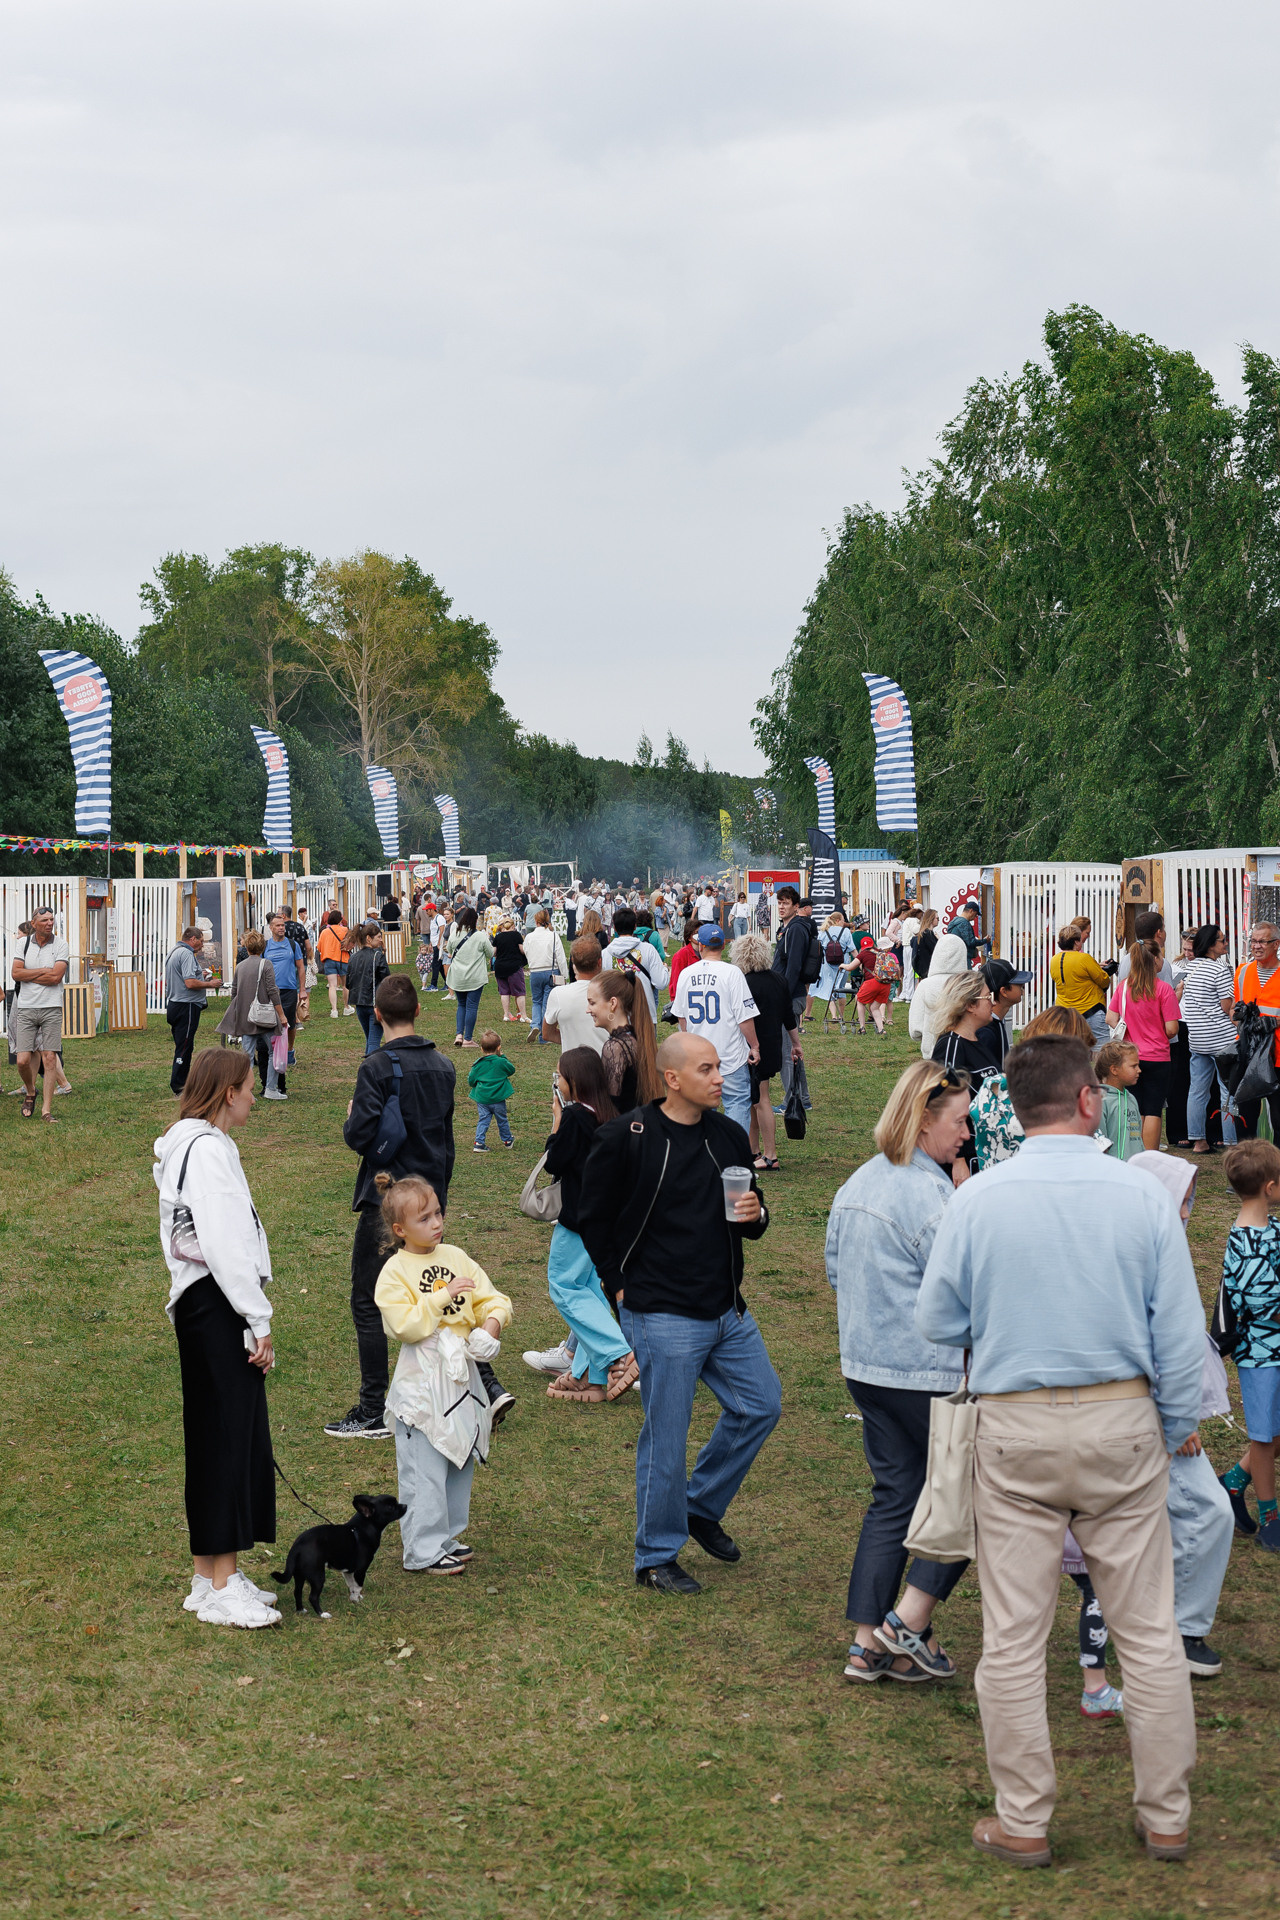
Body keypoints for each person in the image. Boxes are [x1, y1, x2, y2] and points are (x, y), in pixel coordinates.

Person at [916, 1034, 1204, 1868]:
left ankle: (1026, 1818)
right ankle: (1166, 1814)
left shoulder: (980, 1199)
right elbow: (1180, 1337)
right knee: (1148, 1632)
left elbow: (938, 1319)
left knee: (1012, 1636)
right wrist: (1167, 1426)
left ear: (1015, 1102)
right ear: (1089, 1102)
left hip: (1017, 1423)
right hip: (1122, 1419)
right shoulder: (1141, 1197)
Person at [577, 1032, 778, 1594]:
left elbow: (752, 1215)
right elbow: (592, 1217)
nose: (720, 1077)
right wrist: (616, 1286)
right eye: (708, 1069)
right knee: (666, 1438)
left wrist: (755, 1214)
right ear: (673, 1078)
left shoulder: (730, 1135)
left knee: (760, 1406)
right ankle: (656, 1556)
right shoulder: (628, 1137)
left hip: (725, 1310)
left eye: (719, 1067)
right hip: (662, 1312)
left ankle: (698, 1506)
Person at [827, 1059, 974, 1682]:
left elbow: (835, 1268)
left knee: (895, 1496)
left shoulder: (858, 1182)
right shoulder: (932, 1197)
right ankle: (905, 1624)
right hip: (927, 1375)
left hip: (867, 1366)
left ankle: (867, 1644)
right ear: (922, 1124)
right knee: (967, 1497)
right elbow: (959, 1293)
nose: (967, 1135)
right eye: (960, 1122)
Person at [1074, 1151, 1235, 1682]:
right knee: (1209, 1512)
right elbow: (1143, 1343)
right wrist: (1177, 1418)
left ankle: (1155, 1619)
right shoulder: (1140, 1253)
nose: (1189, 1208)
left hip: (1149, 1419)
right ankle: (1178, 1630)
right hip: (1149, 1423)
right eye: (1183, 1197)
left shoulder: (1147, 1246)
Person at [154, 1047, 281, 1628]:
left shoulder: (192, 1145)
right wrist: (258, 1317)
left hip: (204, 1303)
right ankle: (224, 1582)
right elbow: (226, 1241)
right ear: (228, 1092)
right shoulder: (206, 1151)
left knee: (213, 1434)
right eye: (249, 1086)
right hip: (218, 1302)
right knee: (229, 1436)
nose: (255, 1094)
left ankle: (208, 1576)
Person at [326, 974, 457, 1441]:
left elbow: (361, 1136)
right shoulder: (444, 1065)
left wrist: (349, 1117)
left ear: (377, 1015)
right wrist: (437, 1203)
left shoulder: (377, 1067)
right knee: (433, 1296)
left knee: (369, 1300)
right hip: (429, 1199)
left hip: (387, 1202)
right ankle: (453, 1389)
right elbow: (447, 1139)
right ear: (419, 1011)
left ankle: (373, 1406)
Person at [373, 1170, 512, 1576]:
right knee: (424, 1465)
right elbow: (405, 1326)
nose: (436, 1224)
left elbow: (492, 1297)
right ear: (400, 1229)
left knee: (459, 1455)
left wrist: (490, 1327)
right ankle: (422, 1548)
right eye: (424, 1219)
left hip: (461, 1375)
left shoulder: (455, 1257)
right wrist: (441, 1298)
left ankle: (446, 1536)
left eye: (438, 1214)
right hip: (422, 1380)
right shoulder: (394, 1273)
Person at [541, 1048, 638, 1404]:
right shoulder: (610, 1113)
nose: (557, 1083)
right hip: (607, 1217)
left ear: (574, 1082)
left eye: (560, 1077)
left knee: (563, 1284)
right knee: (591, 1290)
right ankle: (590, 1375)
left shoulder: (576, 1116)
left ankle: (619, 1352)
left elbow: (555, 1161)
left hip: (580, 1218)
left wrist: (556, 1121)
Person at [1217, 1138, 1280, 1553]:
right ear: (1270, 1188)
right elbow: (1256, 1304)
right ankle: (1272, 1519)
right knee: (1263, 1436)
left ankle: (1232, 1483)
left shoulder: (1273, 1230)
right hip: (1260, 1355)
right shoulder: (1244, 1241)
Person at [671, 923, 760, 1132]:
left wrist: (688, 1038)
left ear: (700, 946)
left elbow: (681, 1016)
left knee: (702, 1109)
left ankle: (705, 1158)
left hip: (698, 1054)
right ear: (723, 945)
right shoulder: (733, 973)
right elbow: (744, 1018)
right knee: (736, 1103)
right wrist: (754, 1045)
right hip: (730, 1054)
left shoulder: (686, 974)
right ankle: (734, 1157)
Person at [731, 932, 801, 1173]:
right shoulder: (779, 980)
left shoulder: (743, 982)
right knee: (753, 1100)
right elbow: (788, 1016)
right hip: (771, 1045)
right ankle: (754, 1151)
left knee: (760, 1101)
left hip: (750, 1047)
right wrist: (796, 1043)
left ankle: (770, 1155)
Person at [1107, 939, 1180, 1151]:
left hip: (1131, 1055)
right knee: (1154, 1109)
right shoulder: (1164, 990)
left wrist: (1128, 1029)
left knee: (1136, 1106)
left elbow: (1111, 1018)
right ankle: (1150, 1155)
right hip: (1158, 1056)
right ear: (1155, 960)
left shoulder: (1123, 987)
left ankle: (1133, 1151)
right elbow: (1172, 1029)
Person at [1180, 923, 1238, 1153]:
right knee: (1228, 1091)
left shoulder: (1190, 969)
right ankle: (1232, 1142)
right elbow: (1227, 1006)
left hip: (1198, 1037)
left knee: (1197, 1090)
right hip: (1222, 1038)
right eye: (1222, 940)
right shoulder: (1220, 970)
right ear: (1212, 945)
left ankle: (1198, 1140)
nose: (1225, 943)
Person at [11, 904, 70, 1123]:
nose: (49, 924)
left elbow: (56, 977)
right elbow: (16, 973)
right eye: (44, 921)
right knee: (22, 1060)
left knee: (50, 1058)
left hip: (52, 1007)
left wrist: (29, 975)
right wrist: (43, 971)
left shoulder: (61, 945)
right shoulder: (22, 943)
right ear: (34, 923)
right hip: (26, 1007)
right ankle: (30, 1091)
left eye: (52, 920)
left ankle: (46, 1110)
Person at [216, 930, 288, 1100]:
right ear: (262, 947)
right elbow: (272, 990)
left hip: (246, 1017)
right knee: (272, 1052)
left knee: (246, 1056)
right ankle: (270, 1088)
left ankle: (245, 1091)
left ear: (246, 948)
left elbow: (235, 993)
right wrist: (282, 1015)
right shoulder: (266, 964)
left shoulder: (240, 966)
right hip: (266, 1017)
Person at [587, 970, 662, 1113]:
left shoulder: (615, 1047)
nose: (588, 1010)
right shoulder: (636, 1036)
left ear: (613, 1003)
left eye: (592, 1003)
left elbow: (609, 1107)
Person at [773, 887, 818, 1109]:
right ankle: (804, 1099)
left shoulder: (796, 929)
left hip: (790, 997)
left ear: (796, 906)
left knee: (786, 1053)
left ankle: (792, 1101)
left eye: (786, 903)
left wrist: (782, 997)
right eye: (779, 902)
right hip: (788, 995)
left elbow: (794, 966)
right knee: (791, 1050)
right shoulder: (788, 928)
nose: (781, 906)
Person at [164, 925, 217, 1096]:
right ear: (193, 939)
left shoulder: (175, 950)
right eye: (201, 941)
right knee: (184, 1047)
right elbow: (190, 983)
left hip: (176, 1004)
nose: (202, 945)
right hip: (185, 1006)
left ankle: (182, 1083)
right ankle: (179, 1086)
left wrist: (200, 974)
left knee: (183, 1044)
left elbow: (185, 976)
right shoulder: (186, 954)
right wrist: (210, 984)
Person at [907, 931, 970, 1060]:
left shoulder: (925, 985)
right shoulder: (968, 986)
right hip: (965, 1052)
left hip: (932, 1052)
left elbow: (915, 1030)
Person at [1050, 924, 1116, 1046]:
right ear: (1076, 942)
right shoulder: (1084, 958)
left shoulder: (1054, 960)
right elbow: (1103, 980)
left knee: (1069, 1050)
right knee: (1101, 1050)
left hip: (1065, 1011)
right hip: (1091, 1008)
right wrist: (1106, 972)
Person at [602, 907, 671, 1021]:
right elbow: (661, 983)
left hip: (615, 1016)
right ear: (634, 927)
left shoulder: (605, 954)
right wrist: (664, 969)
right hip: (644, 1014)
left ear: (614, 927)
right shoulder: (648, 950)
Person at [541, 938, 606, 1055]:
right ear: (599, 962)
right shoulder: (614, 993)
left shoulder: (558, 994)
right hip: (607, 1065)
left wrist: (572, 1040)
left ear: (573, 962)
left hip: (573, 1067)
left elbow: (547, 1033)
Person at [263, 910, 305, 1088]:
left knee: (288, 1024)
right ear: (271, 928)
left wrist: (302, 989)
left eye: (283, 925)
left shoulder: (293, 945)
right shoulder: (266, 946)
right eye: (278, 926)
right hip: (270, 991)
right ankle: (271, 1052)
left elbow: (301, 968)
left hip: (289, 990)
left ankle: (287, 1051)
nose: (281, 928)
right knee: (269, 1024)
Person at [446, 910, 496, 1050]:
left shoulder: (454, 933)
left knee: (461, 1005)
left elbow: (449, 950)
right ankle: (468, 1038)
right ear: (475, 921)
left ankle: (459, 1035)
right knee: (471, 1006)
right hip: (475, 977)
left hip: (458, 976)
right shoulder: (480, 936)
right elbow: (490, 953)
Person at [973, 958, 1030, 1070]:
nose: (1023, 987)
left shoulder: (996, 1022)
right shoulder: (986, 1032)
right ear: (1004, 991)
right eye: (1019, 984)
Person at [522, 910, 566, 1045]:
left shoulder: (529, 937)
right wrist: (565, 976)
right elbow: (560, 957)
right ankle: (543, 1034)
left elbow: (526, 951)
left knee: (536, 1001)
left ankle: (535, 1024)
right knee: (546, 1004)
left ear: (536, 921)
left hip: (535, 971)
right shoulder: (553, 936)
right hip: (550, 972)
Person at [1094, 1039, 1143, 1159]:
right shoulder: (1100, 1101)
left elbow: (1138, 1139)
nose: (1139, 1070)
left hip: (1134, 1169)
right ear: (1114, 1069)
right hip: (1112, 1171)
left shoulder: (1131, 1098)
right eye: (1133, 1066)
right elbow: (1099, 1143)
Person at [468, 1029, 516, 1151]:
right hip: (498, 1099)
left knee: (483, 1119)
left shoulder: (478, 1064)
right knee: (502, 1119)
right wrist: (502, 1056)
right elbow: (511, 1070)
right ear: (499, 1048)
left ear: (482, 1049)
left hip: (482, 1099)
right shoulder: (501, 1062)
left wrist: (475, 1084)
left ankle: (479, 1142)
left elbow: (471, 1080)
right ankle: (507, 1140)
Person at [346, 924, 390, 1056]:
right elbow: (387, 980)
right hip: (375, 1004)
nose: (381, 940)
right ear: (369, 939)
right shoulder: (378, 956)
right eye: (378, 937)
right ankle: (371, 1071)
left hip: (359, 1005)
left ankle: (368, 1068)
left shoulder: (353, 957)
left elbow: (348, 983)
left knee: (370, 1040)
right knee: (373, 1042)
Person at [814, 911, 857, 1033]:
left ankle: (833, 1015)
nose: (844, 923)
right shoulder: (846, 932)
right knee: (841, 988)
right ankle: (841, 1015)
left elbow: (819, 949)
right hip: (843, 963)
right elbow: (852, 950)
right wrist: (860, 962)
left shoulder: (823, 931)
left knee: (830, 988)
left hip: (827, 964)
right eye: (843, 920)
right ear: (838, 920)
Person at [852, 936, 894, 1036]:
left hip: (872, 982)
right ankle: (881, 1030)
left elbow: (851, 967)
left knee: (860, 1000)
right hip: (885, 984)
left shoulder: (863, 954)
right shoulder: (881, 953)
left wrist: (843, 966)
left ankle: (862, 1027)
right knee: (875, 1007)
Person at [317, 911, 350, 1020]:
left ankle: (334, 1010)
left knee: (332, 986)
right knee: (345, 985)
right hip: (343, 959)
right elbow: (350, 945)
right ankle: (346, 1007)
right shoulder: (345, 930)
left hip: (329, 959)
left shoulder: (325, 932)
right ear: (340, 920)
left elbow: (319, 947)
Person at [911, 908, 939, 984]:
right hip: (927, 967)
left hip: (924, 967)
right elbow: (935, 950)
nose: (938, 920)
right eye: (937, 918)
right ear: (931, 919)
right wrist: (939, 940)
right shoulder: (927, 933)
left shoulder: (925, 933)